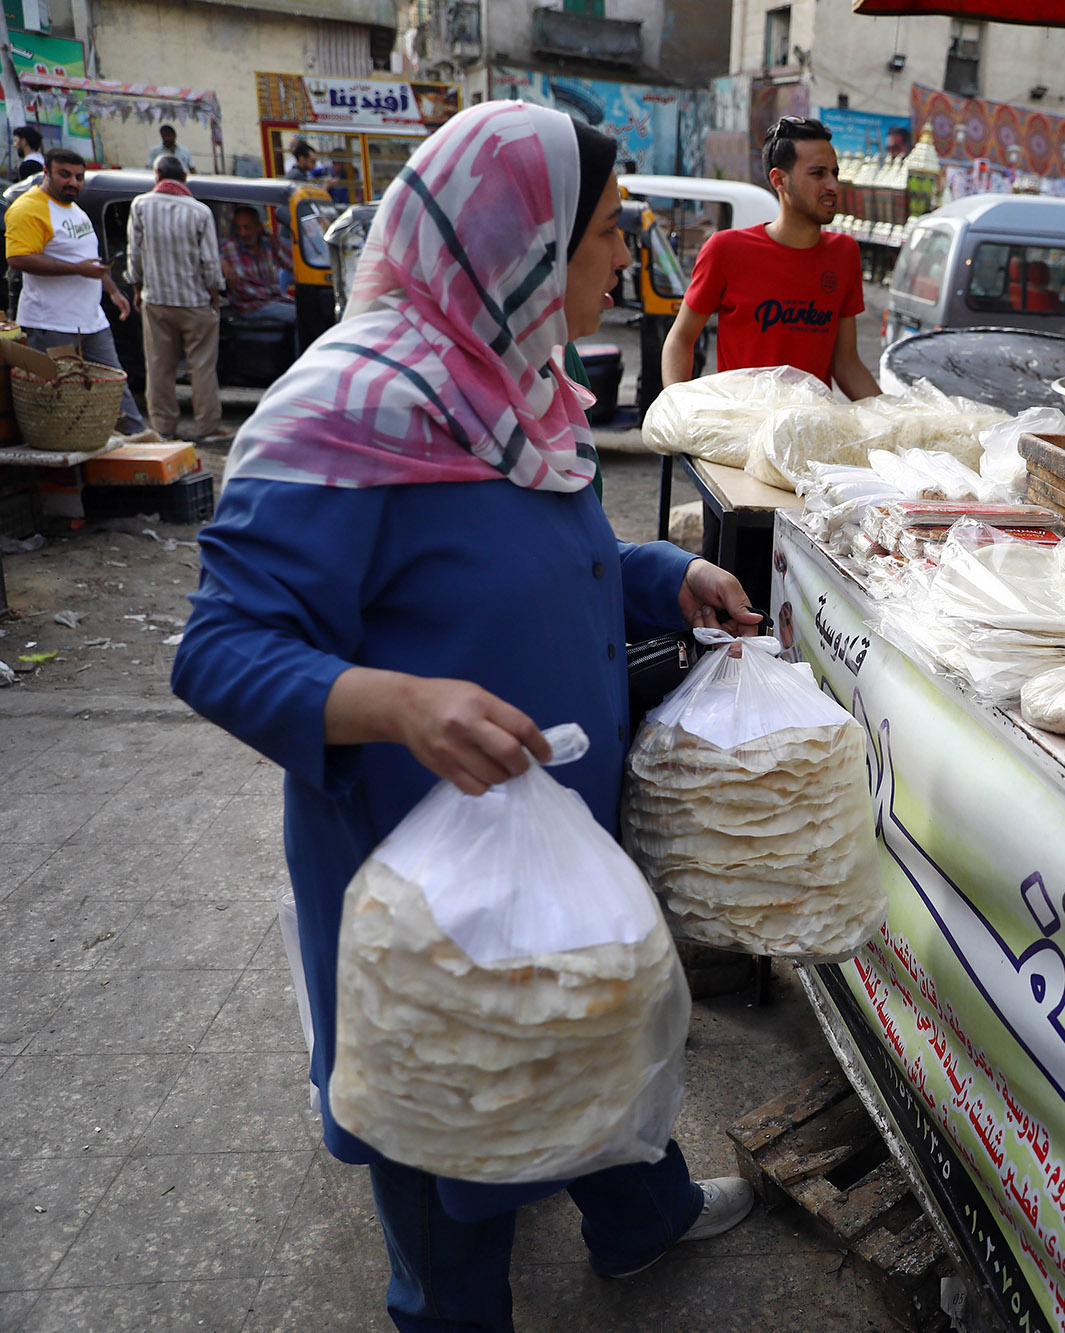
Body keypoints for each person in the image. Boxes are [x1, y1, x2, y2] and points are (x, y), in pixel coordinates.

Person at [168, 101, 760, 1331]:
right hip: (426, 872)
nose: (624, 264)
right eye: (604, 233)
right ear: (522, 241)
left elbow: (555, 551)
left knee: (584, 1025)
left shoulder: (515, 385)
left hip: (553, 835)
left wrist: (662, 573)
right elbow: (219, 648)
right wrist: (401, 704)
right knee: (455, 1120)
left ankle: (636, 1220)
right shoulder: (346, 405)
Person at [661, 116, 879, 398]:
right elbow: (680, 338)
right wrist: (677, 408)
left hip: (812, 433)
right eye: (818, 173)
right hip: (742, 432)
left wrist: (897, 420)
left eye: (835, 174)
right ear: (780, 180)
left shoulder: (844, 253)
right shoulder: (726, 249)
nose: (833, 186)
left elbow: (846, 363)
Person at [5, 146, 145, 434]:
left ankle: (142, 441)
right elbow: (18, 258)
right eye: (65, 175)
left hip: (91, 321)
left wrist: (112, 290)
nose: (73, 183)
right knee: (56, 396)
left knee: (115, 384)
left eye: (79, 177)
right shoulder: (28, 208)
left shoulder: (73, 208)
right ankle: (63, 462)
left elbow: (87, 259)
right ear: (46, 173)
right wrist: (78, 270)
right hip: (51, 323)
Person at [126, 153, 225, 442]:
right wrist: (214, 295)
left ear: (157, 176)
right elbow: (210, 262)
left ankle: (164, 428)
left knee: (158, 366)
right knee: (203, 368)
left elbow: (135, 253)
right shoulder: (199, 211)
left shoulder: (140, 205)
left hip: (156, 300)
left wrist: (137, 288)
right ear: (184, 178)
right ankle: (208, 427)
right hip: (195, 303)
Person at [220, 204, 295, 323]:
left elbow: (293, 265)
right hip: (250, 307)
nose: (242, 233)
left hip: (276, 300)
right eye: (238, 228)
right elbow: (208, 256)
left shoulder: (269, 243)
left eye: (246, 227)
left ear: (258, 227)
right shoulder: (228, 249)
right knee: (298, 315)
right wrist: (222, 262)